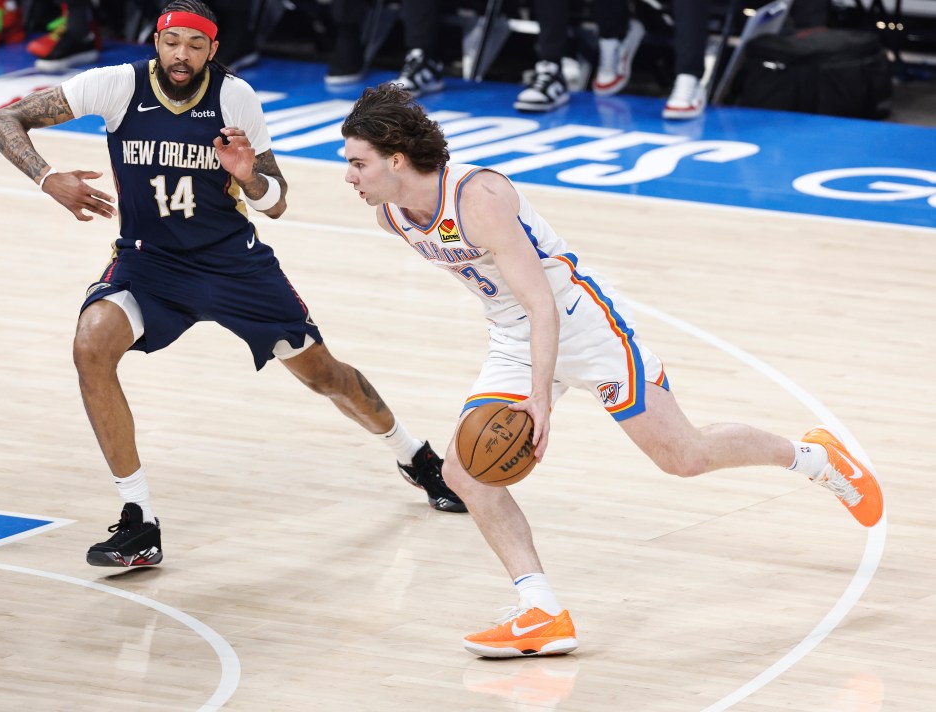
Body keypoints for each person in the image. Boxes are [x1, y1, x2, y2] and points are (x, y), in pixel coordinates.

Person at [339, 84, 884, 657]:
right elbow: (511, 306)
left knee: (684, 457)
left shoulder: (479, 196)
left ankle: (816, 458)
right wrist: (527, 381)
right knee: (465, 473)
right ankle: (541, 610)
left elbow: (541, 303)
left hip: (580, 324)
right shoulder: (392, 217)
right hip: (513, 336)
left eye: (358, 163)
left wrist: (540, 400)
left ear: (397, 159)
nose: (349, 177)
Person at [0, 2, 466, 568]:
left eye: (194, 45)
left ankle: (416, 455)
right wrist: (47, 178)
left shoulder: (234, 98)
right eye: (172, 43)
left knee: (325, 376)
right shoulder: (114, 85)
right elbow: (1, 120)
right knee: (90, 344)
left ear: (212, 50)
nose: (181, 55)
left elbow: (277, 201)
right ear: (156, 44)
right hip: (150, 264)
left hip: (232, 265)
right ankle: (139, 521)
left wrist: (247, 176)